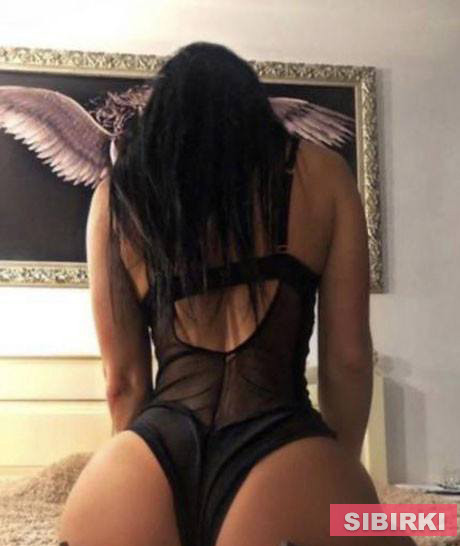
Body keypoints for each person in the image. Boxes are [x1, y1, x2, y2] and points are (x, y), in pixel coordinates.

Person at [57, 42, 415, 546]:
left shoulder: (115, 198)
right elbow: (349, 362)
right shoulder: (323, 173)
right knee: (422, 525)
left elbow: (124, 383)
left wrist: (146, 480)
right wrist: (334, 467)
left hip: (139, 470)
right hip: (285, 453)